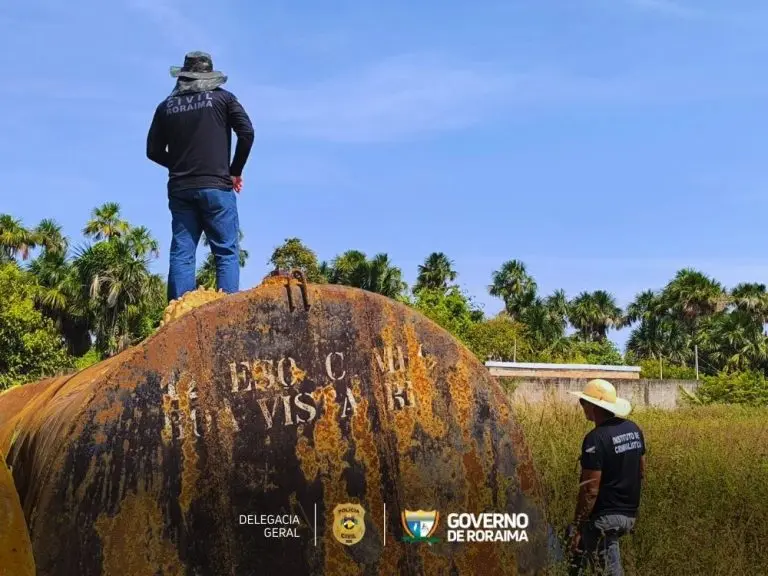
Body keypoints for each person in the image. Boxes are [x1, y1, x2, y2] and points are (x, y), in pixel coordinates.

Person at [146, 51, 254, 301]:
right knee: (225, 252)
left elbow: (152, 151)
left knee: (182, 253)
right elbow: (247, 133)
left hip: (180, 188)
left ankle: (178, 315)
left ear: (184, 76)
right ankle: (227, 313)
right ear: (209, 77)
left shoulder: (165, 107)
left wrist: (180, 165)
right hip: (217, 186)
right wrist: (234, 171)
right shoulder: (224, 99)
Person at [566, 379, 646, 576]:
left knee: (609, 570)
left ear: (593, 407)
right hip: (629, 513)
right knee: (578, 558)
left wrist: (577, 526)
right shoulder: (633, 429)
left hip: (605, 518)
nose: (582, 407)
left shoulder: (595, 438)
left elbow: (590, 489)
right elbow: (641, 470)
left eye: (583, 402)